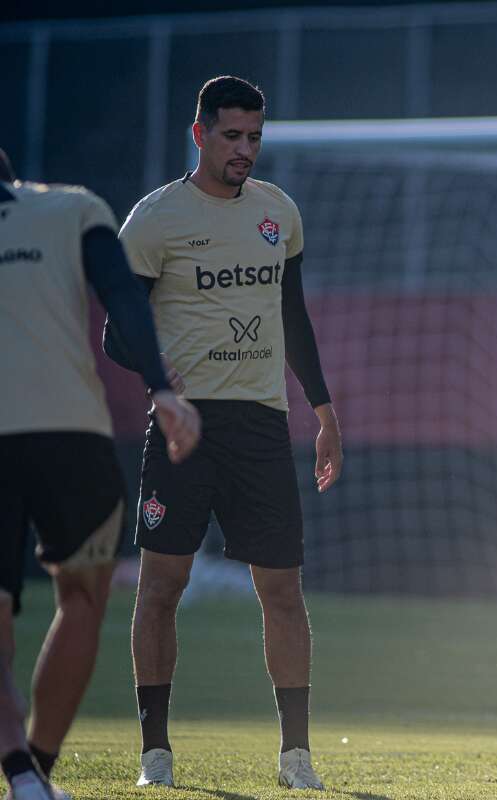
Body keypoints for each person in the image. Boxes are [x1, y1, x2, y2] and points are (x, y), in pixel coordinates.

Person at [103, 76, 342, 790]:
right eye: (232, 136)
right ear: (200, 133)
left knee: (284, 591)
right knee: (163, 584)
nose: (245, 150)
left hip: (263, 426)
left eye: (255, 137)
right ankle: (155, 754)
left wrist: (324, 410)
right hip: (184, 425)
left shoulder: (279, 213)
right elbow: (119, 331)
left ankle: (296, 756)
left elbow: (292, 314)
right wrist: (161, 381)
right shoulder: (154, 219)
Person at [0, 148, 200, 800]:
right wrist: (162, 389)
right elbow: (122, 297)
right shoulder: (74, 205)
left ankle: (22, 774)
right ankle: (38, 772)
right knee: (82, 599)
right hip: (72, 435)